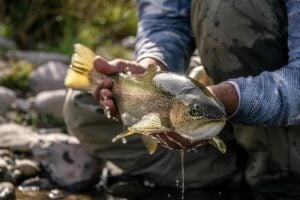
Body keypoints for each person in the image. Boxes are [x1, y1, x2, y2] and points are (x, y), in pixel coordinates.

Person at [64, 0, 300, 199]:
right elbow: (166, 21)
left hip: (284, 105)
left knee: (228, 7)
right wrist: (152, 67)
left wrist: (231, 100)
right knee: (82, 104)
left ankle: (279, 172)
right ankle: (238, 166)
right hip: (211, 95)